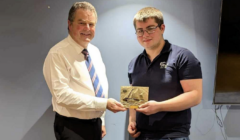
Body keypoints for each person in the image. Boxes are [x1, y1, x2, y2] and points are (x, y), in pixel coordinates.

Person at [43, 2, 126, 140]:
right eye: (82, 23)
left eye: (91, 24)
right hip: (72, 127)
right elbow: (62, 95)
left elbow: (99, 87)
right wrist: (104, 104)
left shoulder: (95, 51)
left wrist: (102, 120)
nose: (87, 28)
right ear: (70, 24)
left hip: (95, 125)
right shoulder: (57, 54)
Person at [127, 7, 202, 140]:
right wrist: (132, 121)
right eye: (140, 31)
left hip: (173, 135)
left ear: (162, 28)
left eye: (150, 28)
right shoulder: (134, 63)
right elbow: (134, 98)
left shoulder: (183, 56)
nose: (145, 34)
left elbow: (195, 96)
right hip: (141, 135)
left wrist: (159, 107)